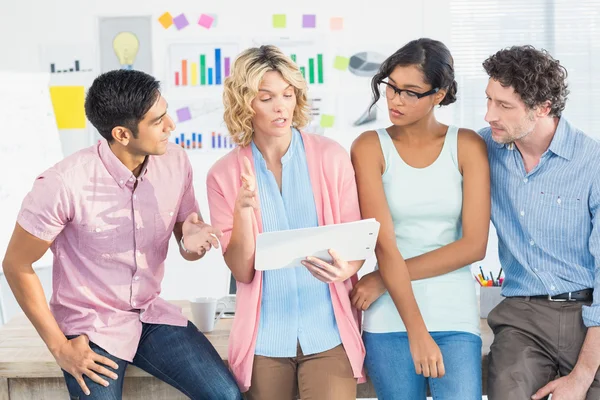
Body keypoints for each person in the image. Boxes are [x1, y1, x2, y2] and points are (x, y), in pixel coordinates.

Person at [1, 70, 242, 400]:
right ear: (122, 134)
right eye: (158, 121)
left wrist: (193, 241)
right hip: (91, 327)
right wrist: (59, 347)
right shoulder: (63, 184)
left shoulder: (175, 161)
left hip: (151, 314)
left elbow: (186, 238)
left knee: (225, 395)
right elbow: (16, 264)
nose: (171, 125)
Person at [206, 45, 366, 399]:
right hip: (265, 339)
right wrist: (242, 213)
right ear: (244, 103)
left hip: (327, 331)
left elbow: (355, 245)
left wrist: (345, 269)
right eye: (266, 98)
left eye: (288, 94)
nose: (281, 107)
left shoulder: (331, 157)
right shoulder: (223, 175)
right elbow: (242, 272)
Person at [349, 38, 490, 399]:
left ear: (439, 95)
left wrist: (383, 278)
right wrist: (416, 330)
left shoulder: (468, 145)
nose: (395, 99)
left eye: (411, 92)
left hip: (454, 315)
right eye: (391, 87)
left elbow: (473, 246)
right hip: (388, 318)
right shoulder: (368, 146)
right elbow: (384, 244)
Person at [479, 45, 600, 400]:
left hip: (589, 315)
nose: (489, 115)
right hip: (522, 318)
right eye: (488, 100)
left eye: (504, 106)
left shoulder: (593, 162)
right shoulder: (481, 150)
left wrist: (581, 377)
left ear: (543, 108)